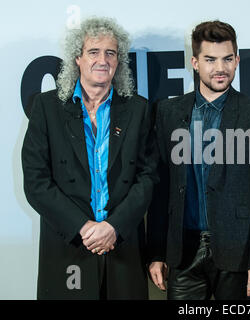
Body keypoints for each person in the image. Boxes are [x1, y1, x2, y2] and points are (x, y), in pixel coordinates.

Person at [21, 17, 158, 299]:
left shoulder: (138, 109)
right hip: (68, 246)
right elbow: (36, 182)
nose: (102, 60)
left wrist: (113, 227)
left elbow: (148, 177)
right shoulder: (46, 108)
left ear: (118, 62)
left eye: (110, 53)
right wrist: (83, 228)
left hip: (122, 247)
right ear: (78, 59)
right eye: (93, 52)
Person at [147, 20, 250, 300]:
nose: (220, 68)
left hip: (238, 251)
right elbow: (161, 189)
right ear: (195, 62)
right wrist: (156, 252)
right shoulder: (168, 112)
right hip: (183, 252)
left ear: (237, 60)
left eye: (227, 59)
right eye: (210, 59)